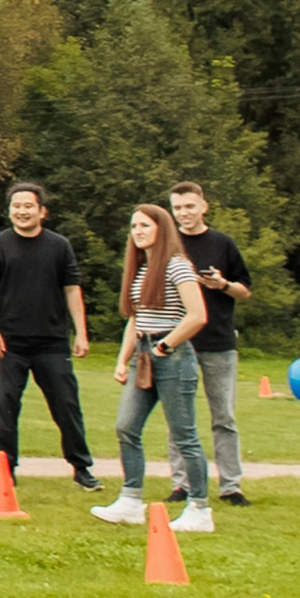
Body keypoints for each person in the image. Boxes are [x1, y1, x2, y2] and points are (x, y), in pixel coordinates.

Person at [93, 203, 214, 532]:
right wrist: (122, 359)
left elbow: (197, 315)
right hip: (143, 355)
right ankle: (131, 501)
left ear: (161, 229)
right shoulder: (142, 269)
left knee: (184, 435)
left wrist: (166, 345)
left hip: (171, 355)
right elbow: (135, 320)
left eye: (145, 226)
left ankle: (199, 509)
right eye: (134, 227)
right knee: (126, 426)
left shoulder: (178, 266)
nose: (138, 232)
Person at [0, 181, 98, 490]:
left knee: (66, 406)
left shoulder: (59, 246)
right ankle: (4, 470)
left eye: (28, 206)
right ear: (9, 210)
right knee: (4, 407)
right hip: (10, 343)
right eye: (16, 206)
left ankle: (81, 468)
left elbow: (72, 289)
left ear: (42, 211)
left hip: (52, 343)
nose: (22, 211)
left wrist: (81, 333)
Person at [168, 181, 252, 508]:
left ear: (204, 206)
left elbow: (244, 290)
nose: (184, 213)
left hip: (218, 343)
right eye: (177, 208)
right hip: (178, 342)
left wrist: (223, 284)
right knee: (179, 418)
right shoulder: (168, 244)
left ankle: (231, 486)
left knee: (223, 418)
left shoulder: (223, 244)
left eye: (189, 206)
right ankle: (181, 484)